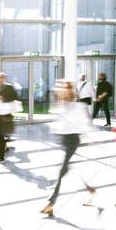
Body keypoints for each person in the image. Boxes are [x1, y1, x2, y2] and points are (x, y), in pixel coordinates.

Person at [40, 79, 96, 216]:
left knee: (62, 171)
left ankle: (51, 203)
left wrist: (91, 136)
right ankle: (89, 189)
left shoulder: (78, 106)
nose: (59, 90)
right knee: (70, 169)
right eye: (58, 87)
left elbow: (86, 124)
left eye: (63, 87)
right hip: (64, 140)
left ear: (69, 90)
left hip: (73, 140)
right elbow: (58, 125)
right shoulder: (60, 105)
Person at [0, 72, 18, 163]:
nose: (1, 79)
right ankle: (3, 147)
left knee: (1, 135)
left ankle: (1, 156)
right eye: (0, 77)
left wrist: (4, 99)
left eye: (3, 77)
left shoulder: (9, 87)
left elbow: (15, 97)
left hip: (5, 115)